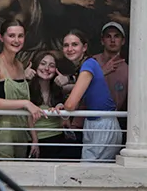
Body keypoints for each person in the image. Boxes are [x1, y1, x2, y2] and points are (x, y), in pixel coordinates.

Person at [53, 30, 123, 162]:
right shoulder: (86, 65)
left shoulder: (89, 64)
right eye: (66, 45)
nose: (70, 49)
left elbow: (70, 105)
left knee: (90, 172)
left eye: (74, 44)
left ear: (84, 47)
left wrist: (64, 109)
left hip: (103, 124)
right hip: (95, 122)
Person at [0, 20, 43, 159]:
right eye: (11, 36)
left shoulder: (20, 65)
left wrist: (34, 139)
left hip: (21, 133)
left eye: (20, 36)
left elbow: (26, 110)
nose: (16, 40)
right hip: (1, 133)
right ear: (1, 37)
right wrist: (25, 103)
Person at [28, 51, 80, 160]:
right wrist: (35, 141)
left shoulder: (58, 90)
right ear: (35, 65)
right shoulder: (27, 89)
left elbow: (83, 86)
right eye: (43, 64)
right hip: (36, 140)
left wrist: (69, 79)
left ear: (56, 70)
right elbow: (27, 118)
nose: (47, 68)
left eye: (51, 66)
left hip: (58, 138)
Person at [92, 22, 129, 141]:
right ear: (102, 41)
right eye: (108, 36)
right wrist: (101, 72)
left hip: (112, 124)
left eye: (116, 36)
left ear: (123, 41)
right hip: (86, 122)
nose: (112, 40)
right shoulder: (92, 62)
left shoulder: (129, 70)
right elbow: (78, 88)